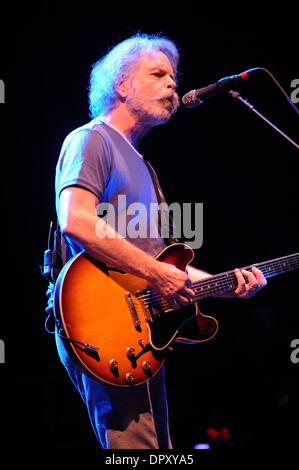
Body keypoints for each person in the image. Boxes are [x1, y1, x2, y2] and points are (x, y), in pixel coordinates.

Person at [54, 33, 267, 449]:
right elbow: (75, 219)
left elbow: (163, 265)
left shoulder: (145, 167)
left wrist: (229, 284)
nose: (173, 84)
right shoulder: (92, 139)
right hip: (102, 324)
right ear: (121, 83)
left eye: (174, 75)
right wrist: (156, 273)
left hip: (138, 329)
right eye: (157, 74)